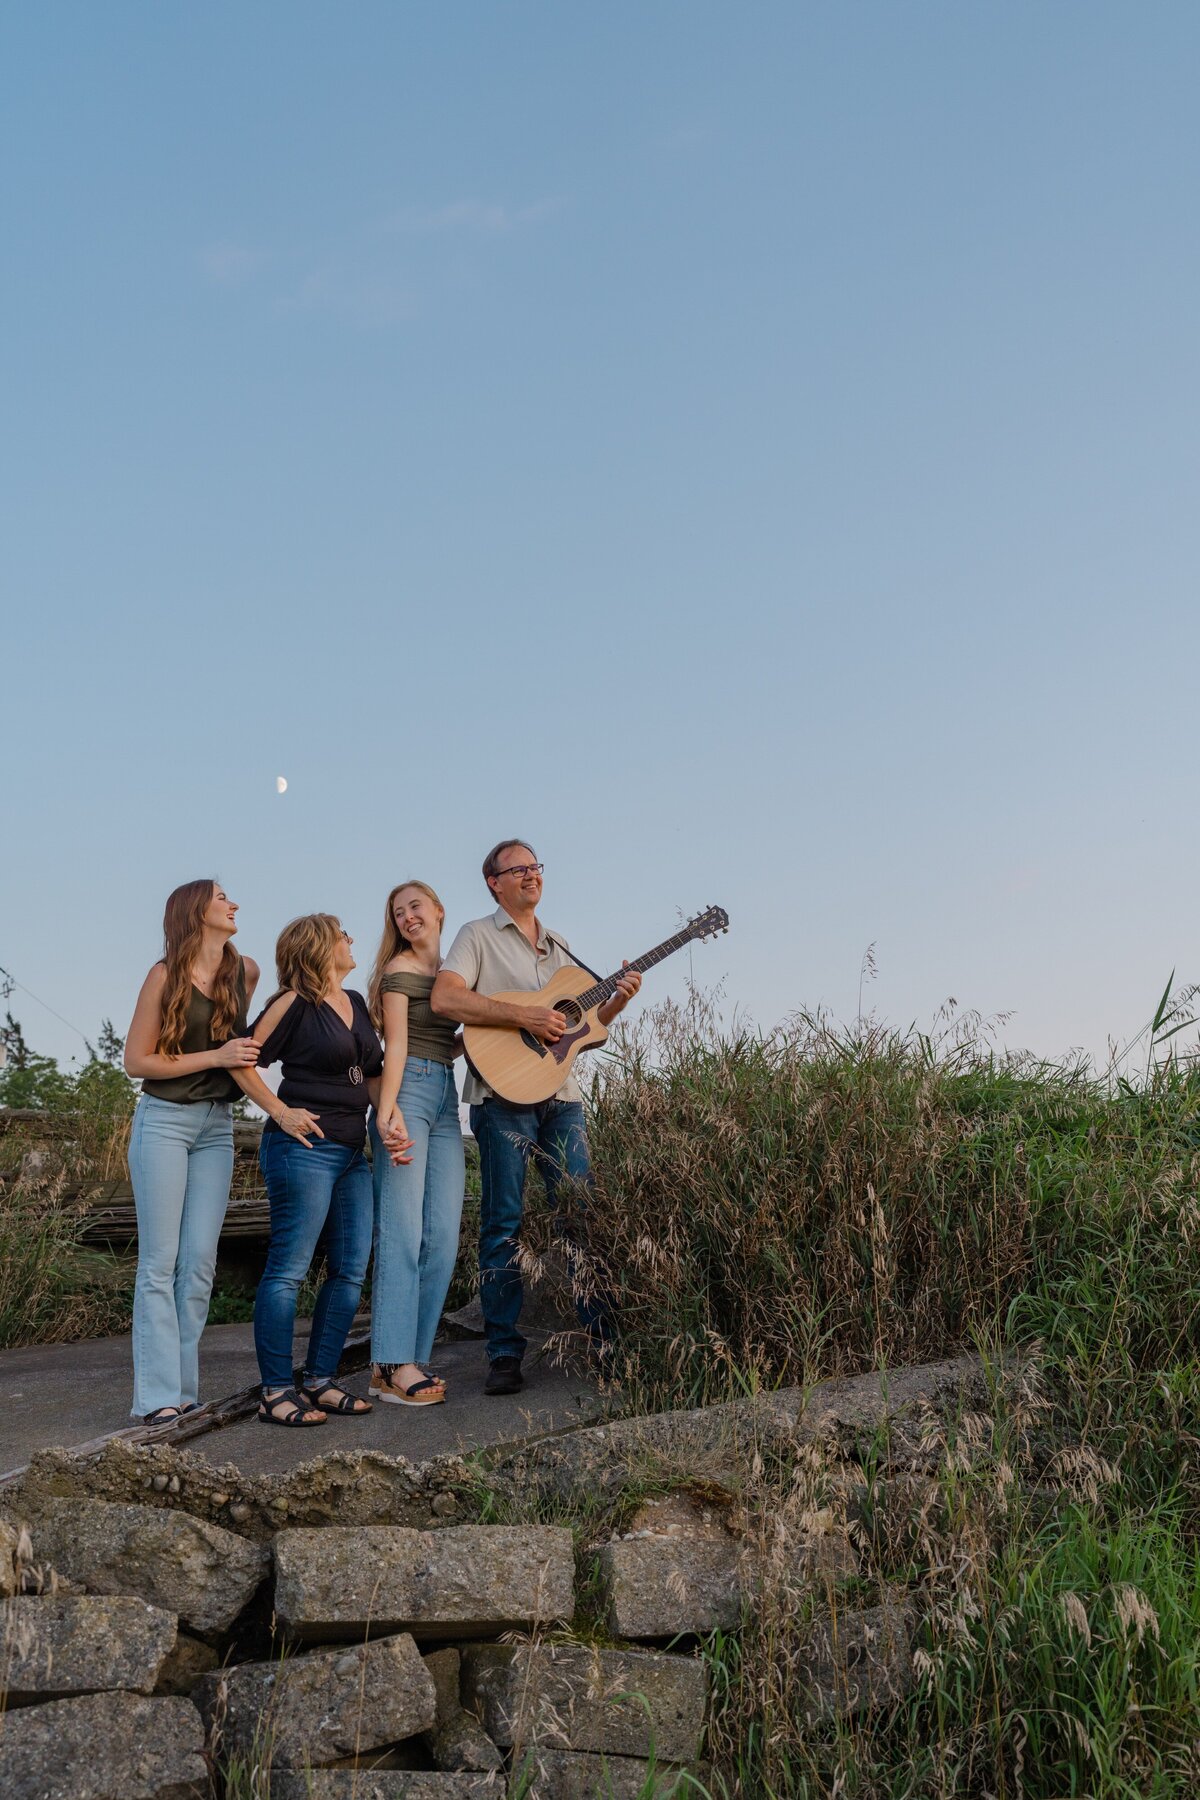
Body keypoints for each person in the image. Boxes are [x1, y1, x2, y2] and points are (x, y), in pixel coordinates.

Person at [430, 840, 641, 1395]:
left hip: (561, 1099)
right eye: (517, 868)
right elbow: (446, 1000)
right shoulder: (477, 936)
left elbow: (578, 1034)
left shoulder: (562, 947)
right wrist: (523, 1012)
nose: (531, 874)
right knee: (503, 1224)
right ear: (493, 883)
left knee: (582, 1218)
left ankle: (606, 1346)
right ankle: (503, 1354)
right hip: (501, 1100)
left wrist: (615, 1001)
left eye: (535, 866)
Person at [234, 913, 383, 1427]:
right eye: (343, 933)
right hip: (303, 1149)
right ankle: (275, 1391)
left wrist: (389, 1120)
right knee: (288, 1270)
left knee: (349, 1270)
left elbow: (376, 1072)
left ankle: (319, 1380)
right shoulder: (291, 1003)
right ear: (320, 947)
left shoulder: (357, 1003)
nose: (351, 939)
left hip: (351, 1153)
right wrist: (279, 1111)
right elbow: (240, 1059)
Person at [123, 879, 261, 1424]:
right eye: (223, 896)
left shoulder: (243, 971)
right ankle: (157, 1398)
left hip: (217, 1128)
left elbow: (245, 1053)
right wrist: (216, 1056)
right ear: (195, 911)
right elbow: (138, 1061)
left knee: (199, 1263)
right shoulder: (165, 976)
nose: (234, 903)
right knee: (160, 1263)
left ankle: (183, 1391)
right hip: (164, 1123)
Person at [365, 881, 465, 1406]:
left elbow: (450, 1041)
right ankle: (392, 1361)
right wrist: (387, 1112)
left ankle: (408, 1359)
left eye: (415, 907)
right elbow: (396, 1045)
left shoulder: (452, 971)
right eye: (398, 911)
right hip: (408, 1092)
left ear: (439, 910)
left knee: (444, 1235)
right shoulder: (398, 970)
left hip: (447, 1093)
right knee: (402, 1233)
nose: (407, 917)